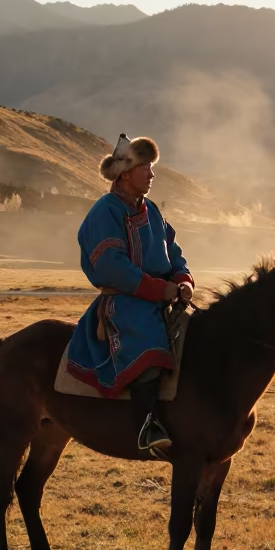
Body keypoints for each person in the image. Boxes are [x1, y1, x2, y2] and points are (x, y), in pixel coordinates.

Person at [66, 133, 194, 457]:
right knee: (147, 344)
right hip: (123, 301)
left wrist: (183, 279)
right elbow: (111, 267)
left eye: (152, 167)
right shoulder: (105, 211)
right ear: (125, 172)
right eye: (146, 167)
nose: (152, 174)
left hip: (163, 297)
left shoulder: (152, 211)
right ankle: (146, 426)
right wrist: (158, 289)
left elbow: (174, 251)